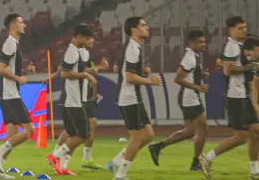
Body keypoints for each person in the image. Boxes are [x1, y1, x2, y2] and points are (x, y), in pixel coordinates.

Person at [200, 17, 259, 179]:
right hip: (235, 96)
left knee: (255, 133)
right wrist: (250, 66)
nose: (244, 30)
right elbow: (227, 71)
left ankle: (255, 171)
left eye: (245, 27)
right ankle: (208, 157)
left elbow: (220, 60)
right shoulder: (232, 47)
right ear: (231, 30)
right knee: (243, 136)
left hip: (242, 95)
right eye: (240, 28)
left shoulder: (237, 45)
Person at [106, 17, 162, 180]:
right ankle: (120, 175)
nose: (147, 27)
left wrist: (140, 69)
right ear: (134, 29)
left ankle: (115, 162)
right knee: (137, 138)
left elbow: (118, 67)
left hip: (134, 97)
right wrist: (149, 80)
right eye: (143, 25)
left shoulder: (131, 46)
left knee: (148, 135)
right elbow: (129, 77)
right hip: (128, 98)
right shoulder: (132, 48)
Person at [148, 30, 210, 171]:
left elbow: (189, 76)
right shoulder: (190, 58)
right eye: (200, 42)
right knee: (204, 130)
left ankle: (157, 147)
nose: (203, 44)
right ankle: (195, 163)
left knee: (189, 132)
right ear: (192, 42)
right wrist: (197, 87)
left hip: (190, 97)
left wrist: (201, 75)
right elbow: (178, 78)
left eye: (204, 41)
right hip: (190, 98)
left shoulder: (194, 56)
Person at [0, 13, 36, 179]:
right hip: (9, 94)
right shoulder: (10, 43)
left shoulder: (13, 44)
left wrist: (23, 72)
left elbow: (8, 68)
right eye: (21, 22)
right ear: (13, 25)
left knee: (12, 135)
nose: (24, 25)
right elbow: (0, 69)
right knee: (29, 131)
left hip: (6, 94)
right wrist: (19, 79)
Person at [46, 38, 109, 171]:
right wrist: (98, 68)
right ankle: (56, 156)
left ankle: (62, 165)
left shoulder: (84, 53)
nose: (92, 40)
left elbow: (84, 70)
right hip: (73, 97)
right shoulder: (74, 52)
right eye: (90, 37)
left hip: (82, 97)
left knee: (76, 131)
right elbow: (64, 71)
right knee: (77, 132)